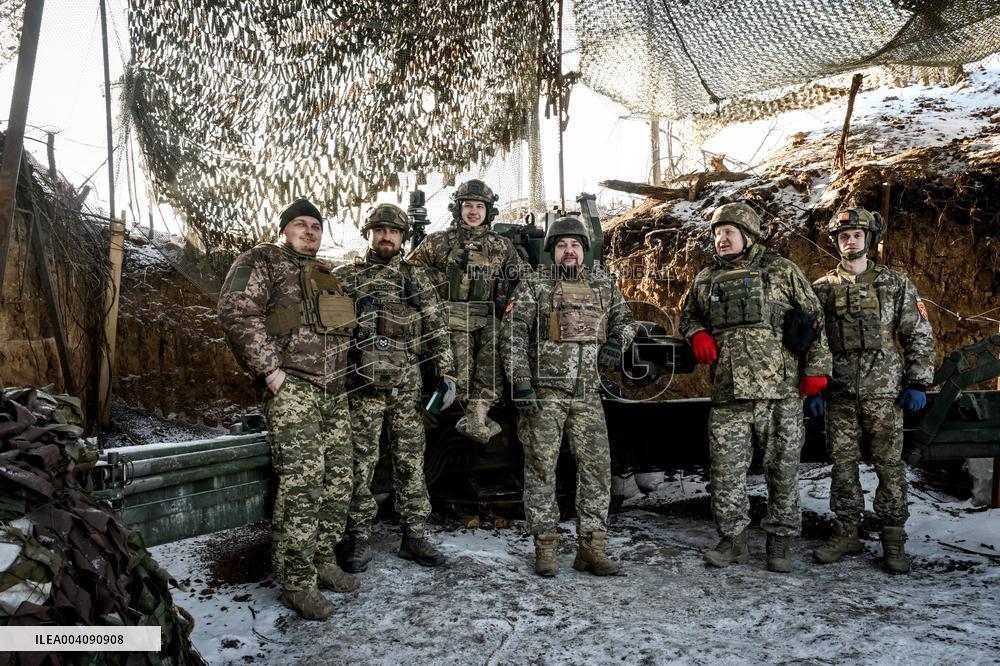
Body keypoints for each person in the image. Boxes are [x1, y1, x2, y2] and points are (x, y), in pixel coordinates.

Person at [218, 198, 358, 620]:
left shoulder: (325, 273)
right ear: (284, 229)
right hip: (293, 388)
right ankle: (297, 582)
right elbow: (236, 311)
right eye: (301, 224)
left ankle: (323, 561)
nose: (310, 232)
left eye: (316, 226)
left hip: (334, 392)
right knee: (303, 484)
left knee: (339, 479)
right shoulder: (260, 260)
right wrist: (269, 371)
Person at [679, 201, 831, 573]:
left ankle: (779, 543)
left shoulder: (781, 270)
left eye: (729, 232)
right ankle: (733, 541)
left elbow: (815, 321)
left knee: (782, 469)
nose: (721, 239)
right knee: (726, 472)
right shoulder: (706, 279)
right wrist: (696, 332)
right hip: (730, 394)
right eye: (717, 233)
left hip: (780, 393)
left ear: (748, 236)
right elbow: (688, 314)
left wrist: (817, 371)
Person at [502, 215, 636, 577]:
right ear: (552, 251)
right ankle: (545, 546)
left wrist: (615, 343)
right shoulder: (535, 285)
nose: (569, 250)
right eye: (562, 245)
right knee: (541, 467)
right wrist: (521, 381)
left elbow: (627, 320)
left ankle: (591, 548)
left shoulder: (602, 285)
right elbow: (513, 333)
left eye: (575, 244)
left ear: (584, 249)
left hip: (588, 393)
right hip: (545, 393)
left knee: (596, 469)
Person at [810, 207, 934, 574]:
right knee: (842, 466)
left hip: (884, 392)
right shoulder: (820, 289)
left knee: (889, 467)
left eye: (857, 236)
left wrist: (918, 382)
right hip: (840, 393)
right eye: (844, 237)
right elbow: (812, 342)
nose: (850, 242)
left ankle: (893, 541)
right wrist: (813, 386)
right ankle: (846, 532)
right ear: (837, 242)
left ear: (869, 240)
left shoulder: (895, 284)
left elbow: (917, 334)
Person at [333, 203, 456, 571]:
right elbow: (332, 336)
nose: (386, 236)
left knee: (410, 462)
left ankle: (414, 534)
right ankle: (357, 538)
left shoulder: (416, 279)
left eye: (394, 231)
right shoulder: (347, 278)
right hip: (362, 388)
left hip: (408, 387)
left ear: (403, 238)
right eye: (380, 230)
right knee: (361, 463)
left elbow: (437, 329)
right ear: (370, 233)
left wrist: (447, 375)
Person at [406, 179, 528, 443]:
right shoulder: (437, 242)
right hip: (451, 316)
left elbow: (523, 279)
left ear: (488, 211)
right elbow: (409, 271)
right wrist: (438, 281)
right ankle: (455, 409)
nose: (474, 212)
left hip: (486, 316)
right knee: (459, 360)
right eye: (468, 206)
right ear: (458, 208)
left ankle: (478, 411)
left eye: (480, 206)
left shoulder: (501, 245)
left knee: (496, 348)